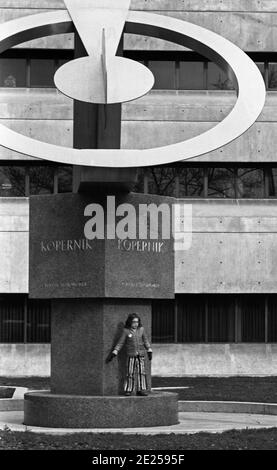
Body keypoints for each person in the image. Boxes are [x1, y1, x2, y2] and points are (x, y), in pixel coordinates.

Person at [108, 313, 152, 396]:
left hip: (140, 355)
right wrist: (115, 351)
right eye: (134, 322)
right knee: (130, 373)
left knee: (141, 372)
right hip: (131, 355)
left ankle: (141, 389)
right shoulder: (126, 331)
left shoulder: (141, 329)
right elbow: (120, 343)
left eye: (137, 322)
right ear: (130, 322)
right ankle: (129, 389)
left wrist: (149, 349)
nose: (136, 324)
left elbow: (145, 340)